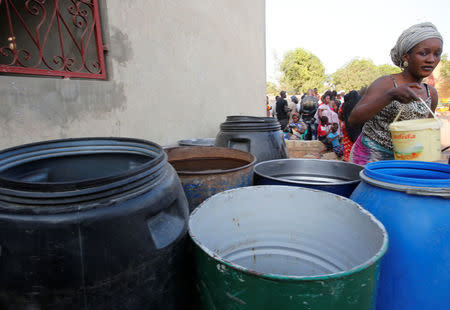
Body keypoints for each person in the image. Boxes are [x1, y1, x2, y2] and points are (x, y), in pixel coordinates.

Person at [348, 22, 443, 165]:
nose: (431, 59)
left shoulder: (431, 94)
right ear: (406, 57)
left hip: (405, 161)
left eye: (437, 54)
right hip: (370, 157)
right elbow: (354, 118)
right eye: (423, 53)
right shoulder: (386, 83)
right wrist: (390, 96)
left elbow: (426, 131)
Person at [339, 90, 363, 161]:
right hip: (357, 128)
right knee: (357, 143)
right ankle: (356, 159)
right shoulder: (360, 105)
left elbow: (340, 116)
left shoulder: (344, 105)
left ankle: (347, 158)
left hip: (346, 126)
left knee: (347, 143)